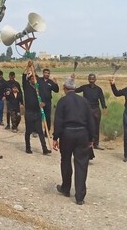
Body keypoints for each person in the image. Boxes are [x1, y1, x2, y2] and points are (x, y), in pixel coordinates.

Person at [53, 77, 95, 205]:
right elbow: (90, 120)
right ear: (75, 88)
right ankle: (80, 197)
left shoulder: (62, 101)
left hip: (67, 134)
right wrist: (91, 138)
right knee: (81, 164)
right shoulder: (84, 101)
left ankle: (66, 188)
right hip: (82, 134)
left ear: (64, 88)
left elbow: (58, 121)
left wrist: (55, 137)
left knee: (65, 160)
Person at [75, 73, 107, 152]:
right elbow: (75, 90)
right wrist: (72, 80)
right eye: (90, 79)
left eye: (93, 79)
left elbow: (102, 99)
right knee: (85, 126)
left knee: (96, 126)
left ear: (95, 80)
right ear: (88, 79)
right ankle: (85, 142)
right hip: (86, 109)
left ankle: (96, 143)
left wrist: (104, 108)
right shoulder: (84, 87)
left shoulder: (98, 89)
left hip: (96, 109)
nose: (91, 80)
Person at [22, 70, 52, 155]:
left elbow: (44, 98)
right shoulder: (26, 87)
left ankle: (44, 149)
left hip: (38, 112)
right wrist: (28, 67)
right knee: (28, 131)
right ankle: (28, 148)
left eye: (35, 78)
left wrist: (43, 103)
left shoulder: (38, 89)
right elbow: (23, 76)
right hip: (29, 113)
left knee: (40, 132)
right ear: (30, 79)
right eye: (32, 78)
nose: (33, 80)